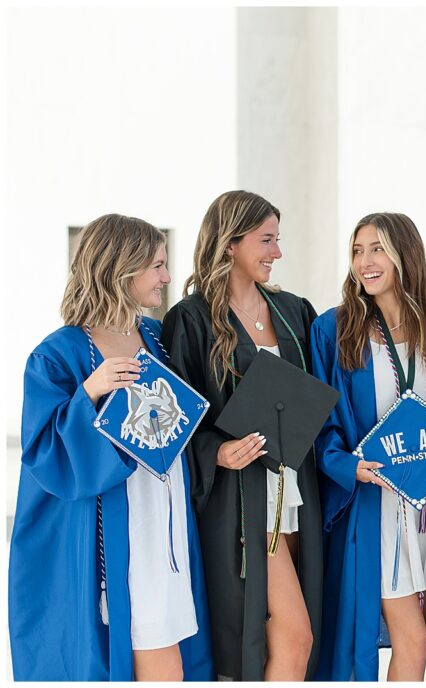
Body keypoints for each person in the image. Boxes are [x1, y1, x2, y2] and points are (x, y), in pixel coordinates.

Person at [10, 214, 212, 680]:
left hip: (166, 519)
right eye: (158, 266)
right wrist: (91, 390)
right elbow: (45, 452)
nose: (167, 276)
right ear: (122, 269)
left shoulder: (157, 338)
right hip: (121, 525)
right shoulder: (57, 354)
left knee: (171, 661)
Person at [161, 190, 322, 680]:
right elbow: (176, 421)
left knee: (286, 641)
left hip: (296, 490)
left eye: (278, 240)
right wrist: (218, 450)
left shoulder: (295, 311)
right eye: (266, 240)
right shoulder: (190, 320)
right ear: (230, 243)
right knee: (294, 636)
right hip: (242, 496)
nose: (277, 252)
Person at [311, 213, 426, 680]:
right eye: (357, 250)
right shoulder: (335, 330)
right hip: (380, 506)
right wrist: (348, 467)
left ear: (404, 254)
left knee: (421, 639)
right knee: (413, 638)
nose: (365, 261)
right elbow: (322, 424)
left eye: (377, 249)